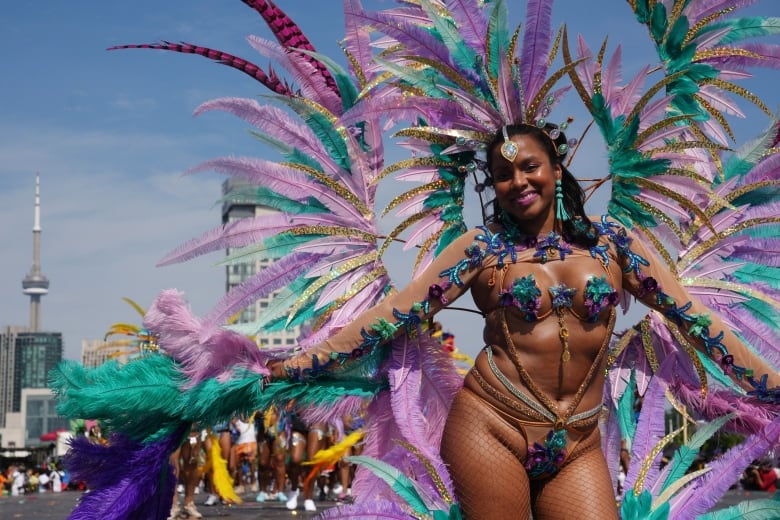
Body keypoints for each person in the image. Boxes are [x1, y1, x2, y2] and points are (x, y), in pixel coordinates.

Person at [270, 122, 780, 519]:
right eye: (503, 174)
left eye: (529, 167)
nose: (517, 182)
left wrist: (772, 383)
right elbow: (395, 314)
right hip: (491, 427)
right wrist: (301, 364)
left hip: (578, 438)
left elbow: (694, 317)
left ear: (557, 169)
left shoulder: (614, 244)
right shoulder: (481, 249)